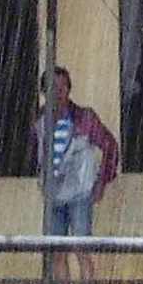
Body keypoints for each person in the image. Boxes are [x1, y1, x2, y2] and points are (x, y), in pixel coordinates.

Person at [39, 67, 120, 239]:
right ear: (43, 92)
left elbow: (110, 146)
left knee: (82, 247)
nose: (59, 92)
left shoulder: (84, 117)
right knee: (56, 251)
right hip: (53, 194)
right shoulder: (39, 121)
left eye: (63, 87)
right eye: (53, 88)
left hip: (80, 194)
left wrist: (101, 181)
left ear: (69, 89)